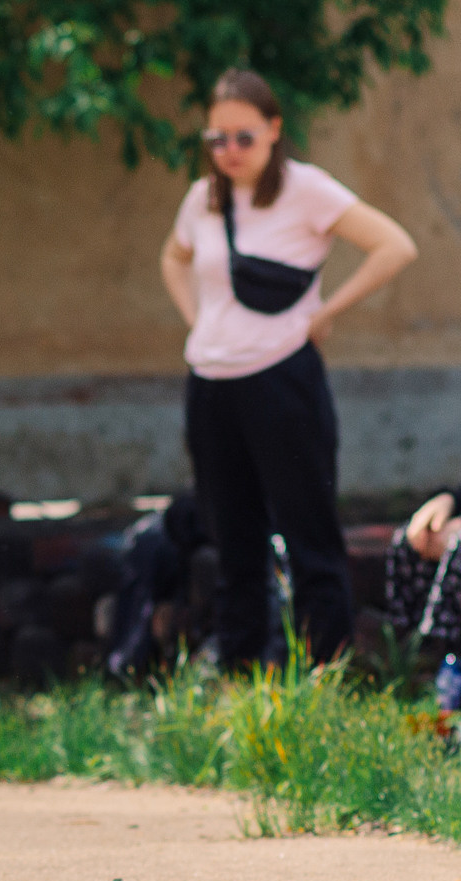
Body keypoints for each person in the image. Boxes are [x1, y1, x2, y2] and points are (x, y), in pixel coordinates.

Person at [159, 68, 417, 667]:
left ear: (274, 129)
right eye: (216, 139)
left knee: (311, 540)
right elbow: (173, 259)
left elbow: (395, 246)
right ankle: (241, 690)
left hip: (282, 379)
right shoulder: (203, 197)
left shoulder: (308, 191)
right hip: (211, 385)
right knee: (234, 546)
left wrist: (326, 312)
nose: (229, 152)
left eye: (243, 137)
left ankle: (326, 686)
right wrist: (198, 321)